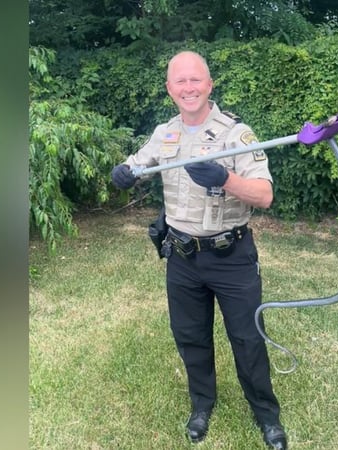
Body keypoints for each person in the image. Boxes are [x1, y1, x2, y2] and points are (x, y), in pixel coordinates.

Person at [110, 51, 287, 450]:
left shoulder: (235, 134)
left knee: (247, 338)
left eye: (196, 80)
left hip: (232, 257)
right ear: (170, 89)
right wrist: (124, 174)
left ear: (209, 85)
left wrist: (226, 178)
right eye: (180, 82)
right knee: (191, 336)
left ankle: (266, 415)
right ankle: (202, 404)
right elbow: (137, 167)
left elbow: (264, 195)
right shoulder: (164, 133)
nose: (188, 88)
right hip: (183, 257)